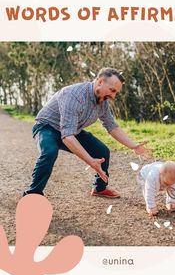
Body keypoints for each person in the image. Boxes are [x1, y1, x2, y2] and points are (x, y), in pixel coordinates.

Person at [23, 67, 153, 198]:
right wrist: (90, 161)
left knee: (102, 151)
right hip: (47, 127)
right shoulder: (73, 96)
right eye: (112, 90)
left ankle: (99, 188)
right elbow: (67, 137)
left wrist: (134, 146)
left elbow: (111, 126)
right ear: (100, 82)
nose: (113, 96)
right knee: (49, 152)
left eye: (116, 93)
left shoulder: (102, 101)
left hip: (72, 130)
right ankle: (33, 195)